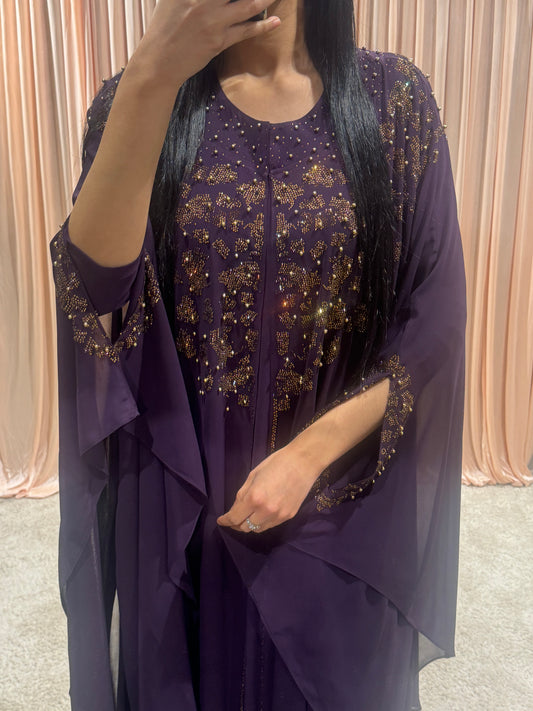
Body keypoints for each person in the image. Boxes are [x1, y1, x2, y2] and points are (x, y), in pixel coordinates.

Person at [50, 1, 467, 709]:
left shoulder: (392, 100)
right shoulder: (138, 97)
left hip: (340, 498)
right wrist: (152, 76)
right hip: (181, 504)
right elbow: (95, 290)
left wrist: (308, 454)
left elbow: (434, 317)